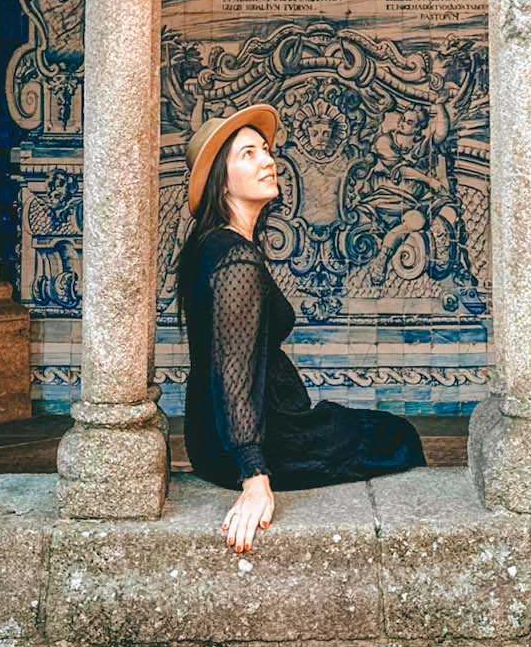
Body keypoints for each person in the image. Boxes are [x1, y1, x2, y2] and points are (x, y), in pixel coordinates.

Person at [174, 102, 426, 554]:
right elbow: (234, 373)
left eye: (266, 150)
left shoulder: (209, 246)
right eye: (248, 154)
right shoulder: (234, 258)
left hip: (212, 439)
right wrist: (254, 476)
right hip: (266, 438)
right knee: (397, 436)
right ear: (220, 178)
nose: (268, 161)